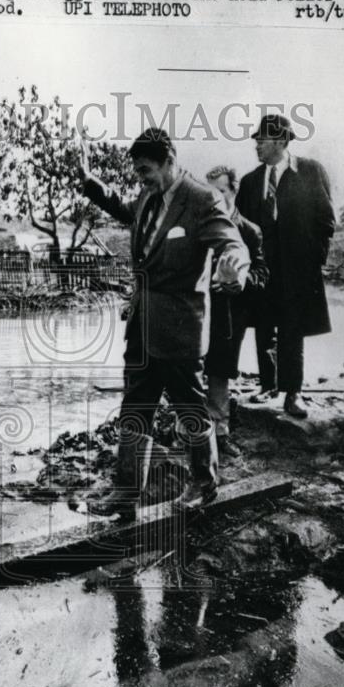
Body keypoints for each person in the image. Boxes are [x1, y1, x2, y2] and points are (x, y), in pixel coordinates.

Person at [81, 128, 250, 519]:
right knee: (135, 409)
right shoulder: (148, 195)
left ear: (170, 160)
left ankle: (204, 484)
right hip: (141, 325)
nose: (140, 178)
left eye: (146, 170)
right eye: (138, 172)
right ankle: (125, 496)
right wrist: (92, 185)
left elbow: (231, 241)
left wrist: (234, 266)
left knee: (189, 408)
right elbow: (126, 210)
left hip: (178, 330)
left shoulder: (201, 199)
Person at [235, 114, 336, 418]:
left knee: (293, 330)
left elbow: (326, 221)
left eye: (262, 139)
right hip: (263, 270)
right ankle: (268, 384)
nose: (257, 145)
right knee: (264, 327)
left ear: (280, 140)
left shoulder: (310, 171)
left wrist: (312, 261)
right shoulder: (251, 181)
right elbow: (239, 226)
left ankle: (293, 393)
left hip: (298, 271)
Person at [204, 165, 269, 457]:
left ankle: (220, 433)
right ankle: (189, 430)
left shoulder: (249, 231)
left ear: (234, 191)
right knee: (189, 369)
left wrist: (240, 286)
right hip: (198, 310)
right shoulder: (199, 226)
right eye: (210, 192)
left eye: (221, 191)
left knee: (221, 369)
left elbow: (262, 273)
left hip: (231, 312)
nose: (215, 198)